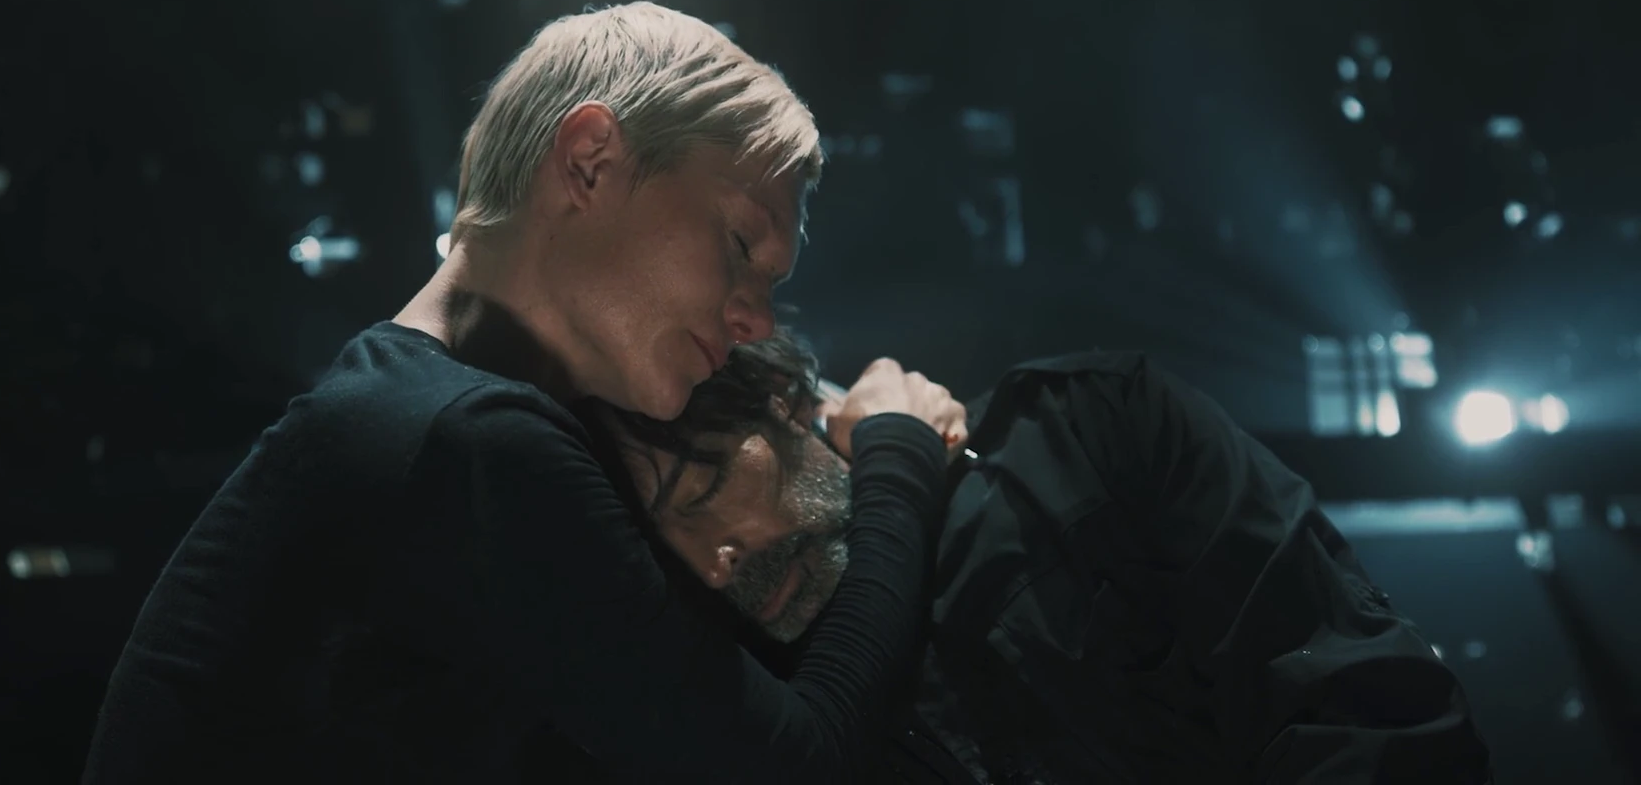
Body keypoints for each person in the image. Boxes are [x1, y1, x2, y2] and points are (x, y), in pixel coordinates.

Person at [82, 2, 972, 784]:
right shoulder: (464, 442)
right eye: (741, 244)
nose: (758, 321)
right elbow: (795, 768)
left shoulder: (412, 414)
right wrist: (898, 454)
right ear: (588, 162)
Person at [594, 332, 1494, 784]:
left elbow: (1361, 705)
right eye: (666, 546)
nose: (715, 564)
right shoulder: (742, 691)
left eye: (703, 493)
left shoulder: (1091, 431)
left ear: (788, 406)